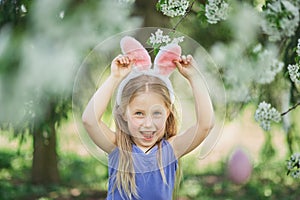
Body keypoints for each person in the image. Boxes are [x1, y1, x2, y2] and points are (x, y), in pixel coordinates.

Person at [82, 36, 214, 200]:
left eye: (157, 113)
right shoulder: (118, 148)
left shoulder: (170, 150)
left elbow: (205, 125)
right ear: (124, 113)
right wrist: (115, 77)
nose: (148, 124)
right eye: (139, 113)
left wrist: (194, 77)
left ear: (168, 113)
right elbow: (90, 120)